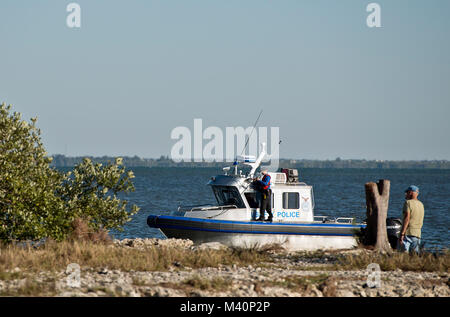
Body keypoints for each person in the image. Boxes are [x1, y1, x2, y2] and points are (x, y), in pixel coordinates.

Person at [398, 185, 425, 254]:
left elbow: (407, 218)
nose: (406, 194)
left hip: (408, 233)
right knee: (414, 255)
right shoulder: (421, 204)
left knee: (403, 254)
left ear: (411, 192)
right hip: (417, 233)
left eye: (407, 192)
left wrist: (402, 234)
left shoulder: (408, 203)